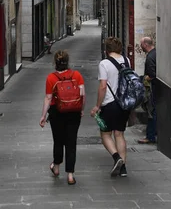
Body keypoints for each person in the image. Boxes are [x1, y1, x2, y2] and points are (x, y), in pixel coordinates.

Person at [39, 50, 85, 185]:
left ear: (55, 62)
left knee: (58, 140)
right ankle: (70, 175)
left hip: (56, 113)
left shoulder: (51, 78)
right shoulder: (76, 75)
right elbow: (83, 94)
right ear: (67, 61)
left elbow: (48, 98)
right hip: (74, 113)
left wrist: (43, 116)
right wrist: (81, 109)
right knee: (71, 143)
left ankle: (56, 167)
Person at [90, 37, 131, 177]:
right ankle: (123, 168)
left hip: (110, 103)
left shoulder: (104, 64)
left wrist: (97, 105)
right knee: (119, 134)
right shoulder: (127, 60)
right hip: (124, 103)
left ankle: (116, 158)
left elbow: (103, 86)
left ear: (106, 50)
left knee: (105, 134)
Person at [138, 37, 157, 144]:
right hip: (156, 89)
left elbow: (152, 75)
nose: (140, 47)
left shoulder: (150, 57)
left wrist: (145, 78)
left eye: (141, 44)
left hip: (152, 89)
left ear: (145, 44)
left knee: (151, 112)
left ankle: (150, 136)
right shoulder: (156, 53)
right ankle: (152, 134)